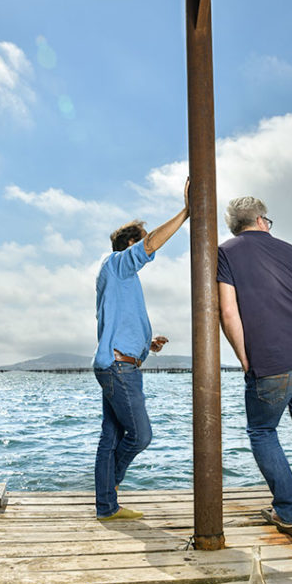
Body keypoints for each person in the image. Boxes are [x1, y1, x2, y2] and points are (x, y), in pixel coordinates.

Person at [216, 196, 292, 541]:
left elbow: (228, 312)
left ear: (236, 225)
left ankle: (286, 509)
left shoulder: (225, 252)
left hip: (271, 359)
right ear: (262, 220)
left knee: (262, 431)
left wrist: (244, 357)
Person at [93, 179, 190, 521]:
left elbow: (115, 323)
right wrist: (186, 212)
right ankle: (110, 488)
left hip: (119, 363)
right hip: (119, 369)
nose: (151, 252)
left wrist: (148, 343)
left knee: (111, 438)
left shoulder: (121, 280)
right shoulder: (117, 263)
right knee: (141, 435)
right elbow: (150, 244)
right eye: (142, 245)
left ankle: (107, 507)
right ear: (131, 245)